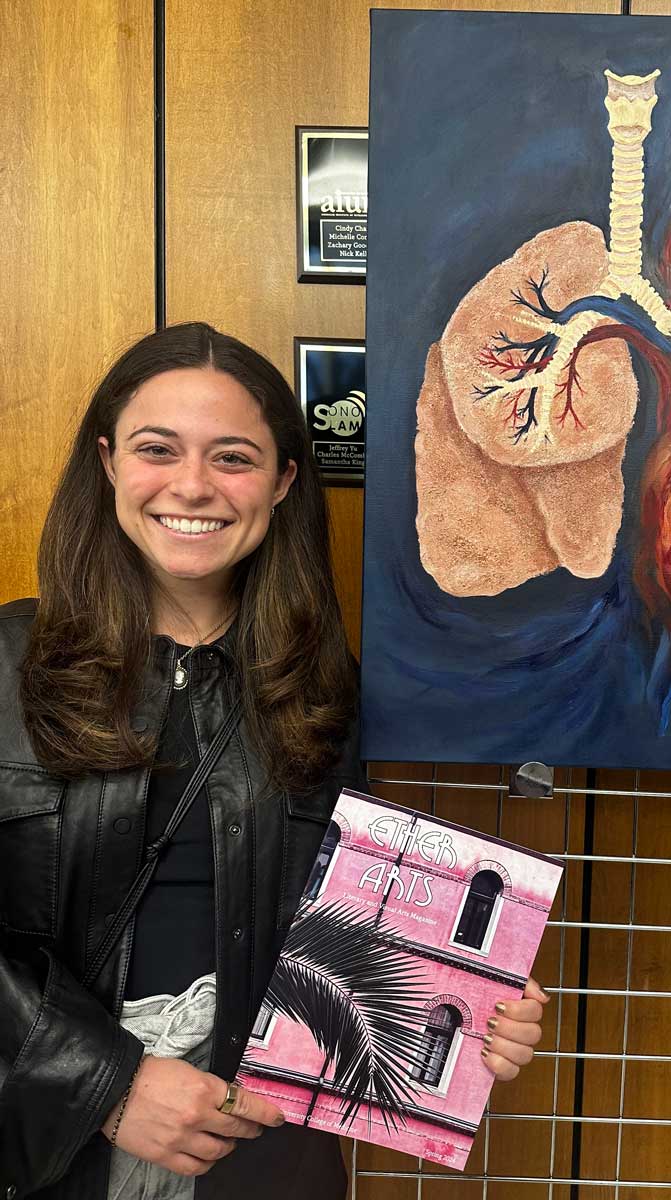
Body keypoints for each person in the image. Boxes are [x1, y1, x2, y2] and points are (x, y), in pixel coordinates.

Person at [0, 322, 549, 1200]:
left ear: (285, 480)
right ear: (107, 463)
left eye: (233, 458)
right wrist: (106, 1087)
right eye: (156, 450)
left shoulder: (326, 694)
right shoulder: (3, 665)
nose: (192, 486)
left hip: (259, 1157)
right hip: (45, 1153)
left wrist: (466, 1010)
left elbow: (348, 948)